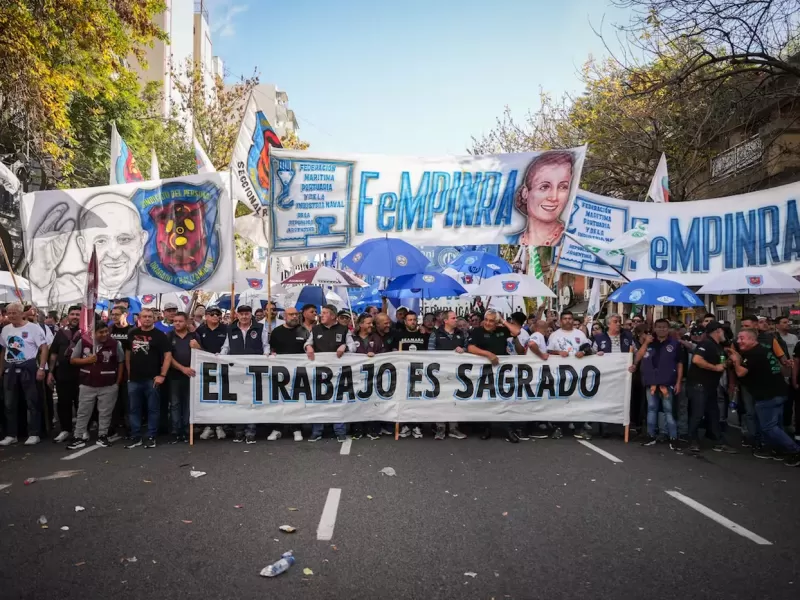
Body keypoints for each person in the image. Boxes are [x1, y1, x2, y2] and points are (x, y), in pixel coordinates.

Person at [730, 329, 799, 466]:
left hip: (768, 395)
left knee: (768, 427)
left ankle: (795, 450)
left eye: (742, 338)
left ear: (752, 339)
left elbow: (741, 373)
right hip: (778, 392)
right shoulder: (763, 350)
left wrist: (736, 361)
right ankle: (780, 450)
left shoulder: (753, 354)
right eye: (738, 338)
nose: (739, 341)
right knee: (776, 425)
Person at [66, 320, 124, 450]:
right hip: (88, 383)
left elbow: (121, 362)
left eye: (106, 331)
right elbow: (73, 360)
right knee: (83, 411)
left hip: (108, 384)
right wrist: (87, 360)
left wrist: (118, 381)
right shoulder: (84, 342)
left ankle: (102, 435)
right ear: (93, 333)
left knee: (105, 412)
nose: (104, 334)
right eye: (100, 332)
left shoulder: (115, 344)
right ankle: (78, 436)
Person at [466, 309, 522, 442]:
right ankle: (487, 428)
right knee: (487, 398)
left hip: (502, 371)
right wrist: (488, 354)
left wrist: (502, 320)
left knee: (504, 398)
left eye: (492, 321)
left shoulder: (501, 330)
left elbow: (516, 332)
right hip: (485, 371)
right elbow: (470, 348)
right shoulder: (477, 331)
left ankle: (508, 429)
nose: (488, 323)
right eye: (486, 320)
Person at [0, 303, 49, 446]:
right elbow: (3, 350)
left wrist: (41, 368)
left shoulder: (33, 328)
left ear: (22, 314)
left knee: (32, 401)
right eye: (9, 313)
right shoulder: (5, 330)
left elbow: (44, 348)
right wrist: (1, 369)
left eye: (15, 312)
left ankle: (34, 433)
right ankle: (11, 434)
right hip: (10, 368)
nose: (11, 315)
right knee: (9, 403)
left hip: (28, 367)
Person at [304, 304, 354, 442]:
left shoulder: (344, 330)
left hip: (339, 372)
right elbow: (308, 342)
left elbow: (353, 346)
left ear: (333, 316)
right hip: (320, 372)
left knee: (338, 401)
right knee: (319, 401)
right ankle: (317, 431)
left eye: (325, 313)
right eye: (322, 313)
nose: (322, 315)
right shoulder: (316, 329)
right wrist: (308, 346)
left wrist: (345, 346)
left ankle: (340, 430)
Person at [221, 304, 270, 443]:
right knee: (239, 401)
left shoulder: (260, 328)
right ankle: (239, 430)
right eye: (241, 314)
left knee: (252, 401)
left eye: (247, 314)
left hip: (254, 370)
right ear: (236, 315)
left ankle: (250, 431)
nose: (244, 316)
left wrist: (266, 355)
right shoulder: (230, 329)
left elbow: (265, 345)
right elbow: (226, 346)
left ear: (251, 315)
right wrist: (220, 355)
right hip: (237, 370)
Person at [125, 307, 171, 449]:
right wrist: (128, 373)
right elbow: (127, 353)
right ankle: (136, 436)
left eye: (150, 316)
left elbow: (167, 356)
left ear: (154, 318)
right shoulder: (132, 333)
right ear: (139, 318)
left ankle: (151, 436)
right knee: (134, 409)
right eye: (144, 316)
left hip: (152, 379)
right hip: (134, 379)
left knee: (153, 409)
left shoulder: (160, 335)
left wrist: (162, 375)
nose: (147, 319)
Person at [506, 151, 575, 247]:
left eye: (563, 187)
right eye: (544, 187)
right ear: (525, 193)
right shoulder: (508, 240)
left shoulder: (575, 242)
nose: (554, 197)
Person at [686, 322, 735, 453]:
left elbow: (721, 364)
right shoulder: (706, 343)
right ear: (718, 331)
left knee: (714, 414)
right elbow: (696, 360)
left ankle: (717, 440)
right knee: (697, 414)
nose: (724, 334)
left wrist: (729, 361)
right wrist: (715, 367)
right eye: (722, 331)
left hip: (710, 386)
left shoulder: (717, 346)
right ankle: (692, 440)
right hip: (699, 385)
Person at [636, 318, 683, 449]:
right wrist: (646, 343)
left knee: (669, 410)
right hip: (651, 382)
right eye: (659, 327)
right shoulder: (650, 342)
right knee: (651, 409)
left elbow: (680, 364)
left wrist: (678, 382)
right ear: (655, 328)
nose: (661, 329)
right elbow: (638, 357)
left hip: (667, 382)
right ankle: (651, 435)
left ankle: (673, 437)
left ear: (668, 329)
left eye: (664, 327)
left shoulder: (675, 344)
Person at [266, 306, 309, 442]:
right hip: (280, 373)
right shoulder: (277, 332)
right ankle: (277, 428)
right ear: (285, 316)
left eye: (296, 314)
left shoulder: (304, 331)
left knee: (295, 401)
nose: (294, 317)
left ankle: (296, 428)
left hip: (298, 373)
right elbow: (272, 349)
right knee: (279, 401)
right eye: (291, 314)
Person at [547, 310, 591, 440]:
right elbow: (548, 350)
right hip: (560, 374)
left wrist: (583, 352)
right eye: (565, 318)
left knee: (578, 400)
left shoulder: (580, 334)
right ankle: (558, 427)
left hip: (578, 374)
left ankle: (579, 428)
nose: (568, 321)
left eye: (570, 318)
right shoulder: (554, 335)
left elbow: (589, 348)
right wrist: (558, 352)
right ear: (561, 321)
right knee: (559, 401)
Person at [428, 310, 468, 440]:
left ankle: (453, 428)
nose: (456, 320)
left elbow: (468, 348)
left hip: (457, 373)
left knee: (455, 400)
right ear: (445, 320)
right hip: (440, 373)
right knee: (440, 400)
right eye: (453, 318)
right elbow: (430, 352)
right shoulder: (435, 334)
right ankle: (440, 428)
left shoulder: (461, 334)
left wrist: (464, 350)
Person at [47, 305, 82, 443]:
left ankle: (82, 430)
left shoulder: (86, 331)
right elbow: (54, 353)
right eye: (72, 314)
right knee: (63, 403)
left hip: (82, 374)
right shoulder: (61, 333)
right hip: (63, 373)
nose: (75, 317)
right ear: (68, 316)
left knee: (81, 403)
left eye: (78, 314)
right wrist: (50, 372)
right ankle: (65, 430)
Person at [195, 306, 229, 440]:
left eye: (218, 314)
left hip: (222, 367)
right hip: (205, 368)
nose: (215, 316)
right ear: (206, 316)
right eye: (212, 314)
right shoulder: (200, 330)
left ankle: (219, 425)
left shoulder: (226, 329)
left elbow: (228, 346)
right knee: (208, 397)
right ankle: (208, 426)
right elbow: (197, 348)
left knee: (221, 396)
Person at [395, 310, 429, 439]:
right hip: (403, 372)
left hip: (419, 371)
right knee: (403, 399)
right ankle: (405, 425)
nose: (412, 322)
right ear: (405, 322)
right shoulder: (399, 335)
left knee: (417, 400)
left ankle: (417, 425)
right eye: (410, 320)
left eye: (414, 319)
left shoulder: (423, 335)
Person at [352, 312, 385, 440]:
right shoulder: (352, 338)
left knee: (372, 403)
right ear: (360, 324)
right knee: (356, 403)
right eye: (368, 323)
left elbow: (383, 353)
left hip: (373, 376)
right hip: (356, 377)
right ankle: (357, 429)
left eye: (372, 323)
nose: (371, 325)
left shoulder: (376, 338)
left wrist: (375, 356)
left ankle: (373, 429)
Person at [166, 312, 197, 443]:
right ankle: (175, 430)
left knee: (188, 404)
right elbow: (168, 357)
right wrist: (182, 368)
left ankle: (186, 430)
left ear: (186, 322)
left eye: (180, 321)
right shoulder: (169, 336)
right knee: (175, 404)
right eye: (175, 321)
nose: (177, 323)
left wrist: (197, 346)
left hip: (192, 375)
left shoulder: (194, 336)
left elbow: (203, 353)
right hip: (175, 375)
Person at [108, 304, 132, 436]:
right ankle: (112, 426)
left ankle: (130, 427)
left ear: (125, 315)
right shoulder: (109, 330)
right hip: (111, 369)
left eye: (117, 314)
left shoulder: (132, 330)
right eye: (113, 314)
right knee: (111, 400)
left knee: (127, 399)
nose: (114, 317)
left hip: (127, 369)